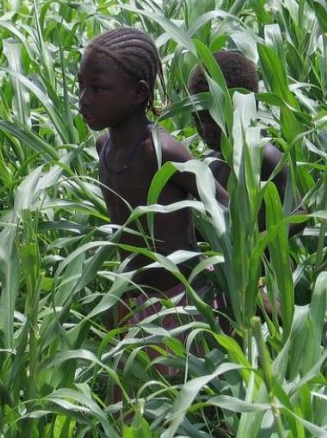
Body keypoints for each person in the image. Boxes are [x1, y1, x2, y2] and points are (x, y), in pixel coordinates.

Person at [77, 27, 227, 370]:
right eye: (81, 85)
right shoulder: (104, 147)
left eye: (97, 88)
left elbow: (229, 212)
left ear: (138, 93)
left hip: (179, 305)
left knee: (185, 411)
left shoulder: (162, 151)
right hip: (130, 298)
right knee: (132, 408)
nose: (84, 98)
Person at [187, 50, 306, 254]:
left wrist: (254, 244)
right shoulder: (209, 165)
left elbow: (299, 214)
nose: (205, 130)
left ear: (242, 109)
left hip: (267, 277)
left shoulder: (263, 155)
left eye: (211, 119)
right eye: (198, 120)